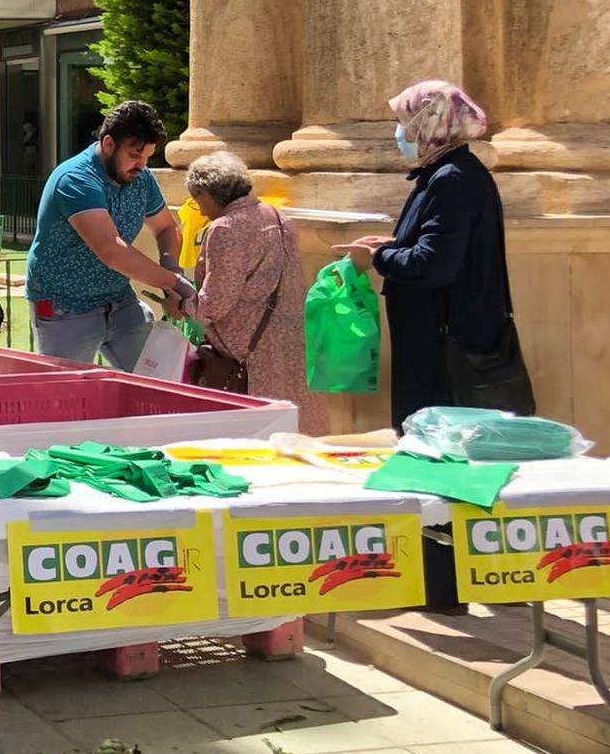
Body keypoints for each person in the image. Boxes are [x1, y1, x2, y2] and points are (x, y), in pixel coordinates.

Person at [334, 81, 508, 613]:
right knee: (446, 463)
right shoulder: (446, 176)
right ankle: (467, 581)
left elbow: (435, 264)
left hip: (444, 349)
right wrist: (392, 246)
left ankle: (446, 589)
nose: (400, 135)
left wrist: (379, 261)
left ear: (430, 126)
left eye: (406, 124)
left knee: (440, 464)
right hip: (439, 341)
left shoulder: (454, 180)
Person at [25, 100, 192, 370]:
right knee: (65, 398)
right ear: (109, 144)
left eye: (147, 156)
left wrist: (171, 266)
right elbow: (110, 250)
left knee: (155, 380)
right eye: (135, 155)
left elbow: (165, 227)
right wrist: (174, 282)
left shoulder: (142, 177)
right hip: (64, 307)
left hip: (119, 301)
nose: (141, 165)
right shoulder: (75, 179)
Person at [185, 152, 322, 431]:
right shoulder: (277, 216)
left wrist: (183, 305)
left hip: (250, 350)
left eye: (196, 197)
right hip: (289, 337)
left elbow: (216, 304)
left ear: (210, 193)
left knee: (256, 428)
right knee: (292, 421)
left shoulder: (225, 228)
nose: (198, 209)